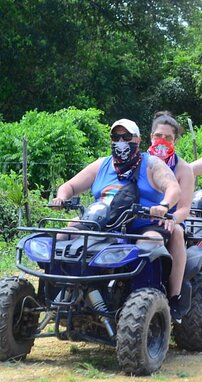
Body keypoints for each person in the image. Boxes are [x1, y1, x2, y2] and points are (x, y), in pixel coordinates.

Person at [51, 119, 181, 311]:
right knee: (60, 238)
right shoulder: (101, 165)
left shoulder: (151, 164)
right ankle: (58, 295)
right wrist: (61, 198)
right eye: (115, 137)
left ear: (137, 140)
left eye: (126, 137)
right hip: (101, 221)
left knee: (150, 242)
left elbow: (173, 187)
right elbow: (69, 186)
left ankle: (146, 302)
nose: (120, 141)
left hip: (140, 222)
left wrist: (163, 205)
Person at [147, 111, 195, 317]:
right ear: (150, 137)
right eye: (158, 136)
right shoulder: (139, 162)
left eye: (168, 137)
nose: (162, 140)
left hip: (170, 218)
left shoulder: (183, 169)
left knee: (176, 233)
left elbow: (185, 208)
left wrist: (172, 217)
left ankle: (175, 295)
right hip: (140, 216)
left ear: (175, 140)